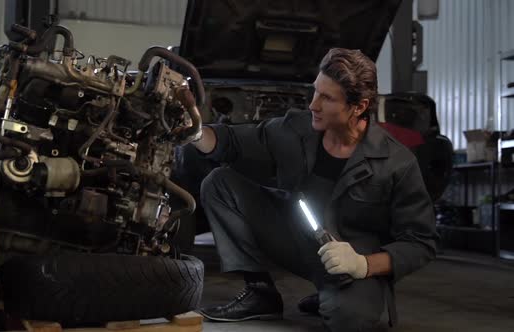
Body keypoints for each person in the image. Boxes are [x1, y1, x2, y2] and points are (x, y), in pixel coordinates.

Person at [183, 48, 438, 331]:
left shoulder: (397, 163)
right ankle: (261, 293)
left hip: (347, 263)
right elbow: (233, 141)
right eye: (315, 92)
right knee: (220, 182)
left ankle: (331, 295)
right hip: (294, 239)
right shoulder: (297, 128)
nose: (313, 105)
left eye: (327, 98)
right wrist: (194, 130)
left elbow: (420, 242)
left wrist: (362, 265)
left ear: (359, 106)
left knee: (350, 320)